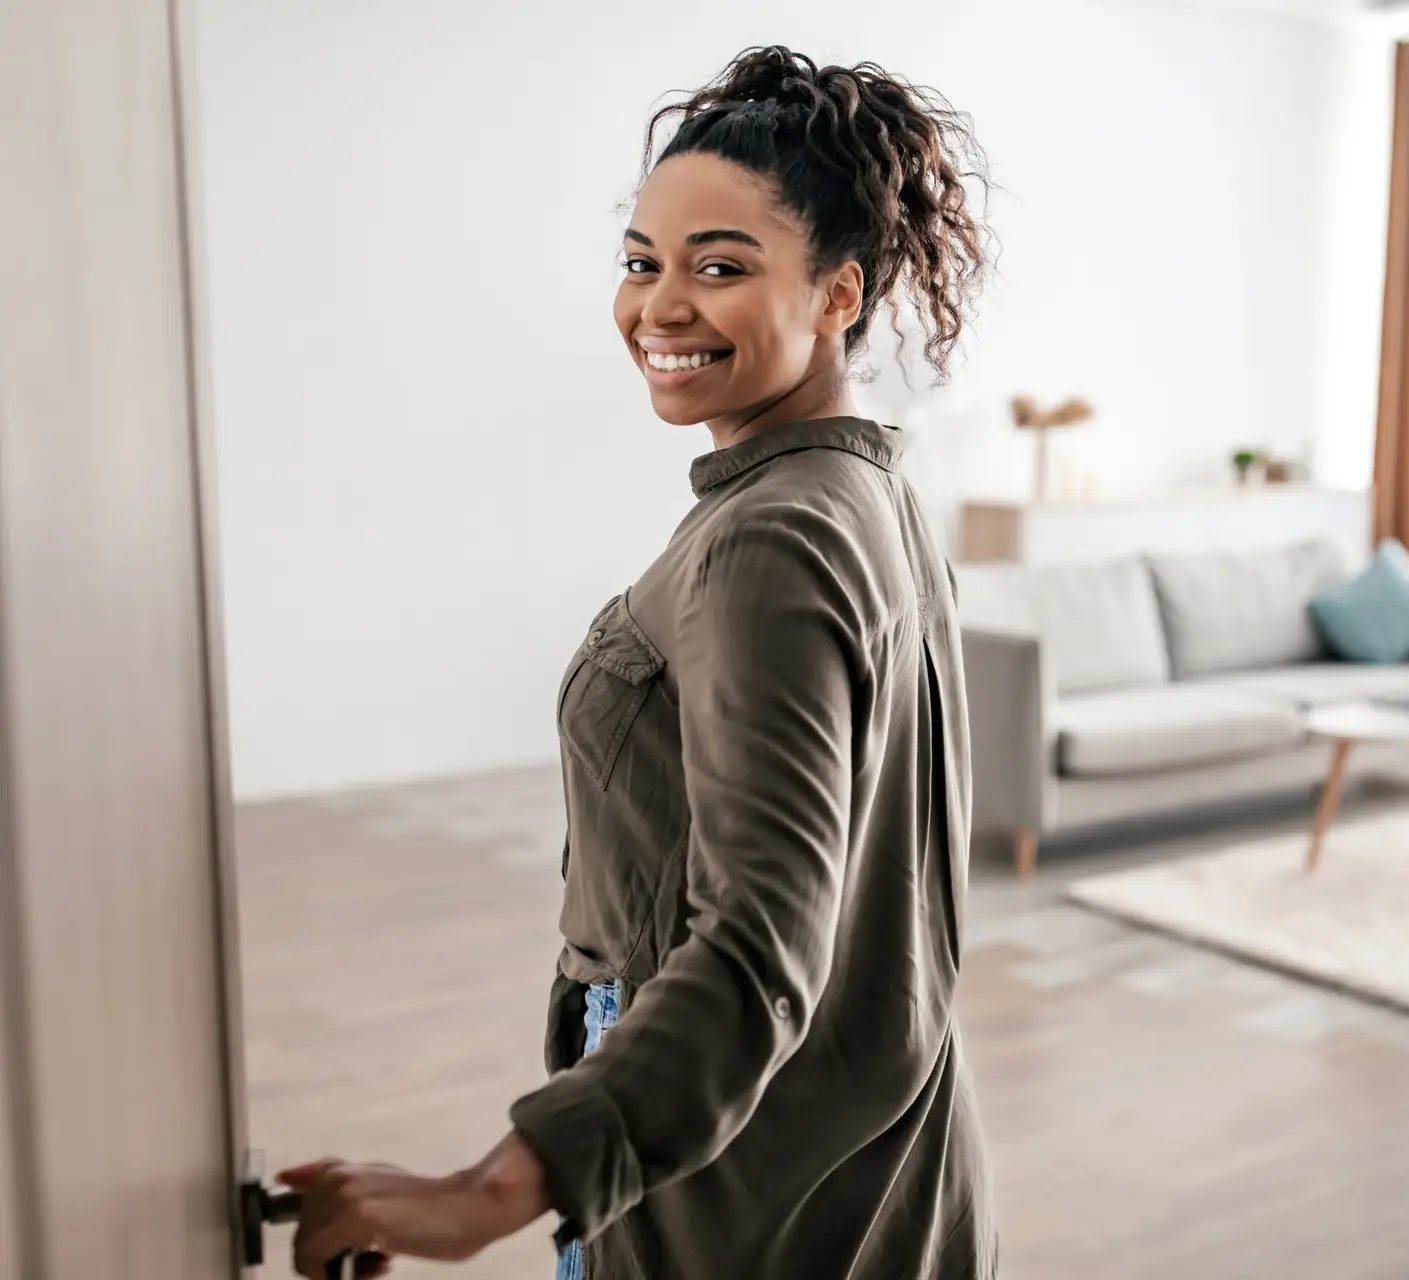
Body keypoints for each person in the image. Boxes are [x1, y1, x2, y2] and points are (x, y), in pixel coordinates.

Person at [283, 45, 997, 1280]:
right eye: (640, 262)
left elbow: (758, 943)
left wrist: (485, 1191)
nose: (660, 307)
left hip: (745, 1191)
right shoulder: (866, 488)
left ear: (840, 292)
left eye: (721, 266)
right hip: (876, 1155)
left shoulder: (775, 533)